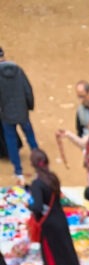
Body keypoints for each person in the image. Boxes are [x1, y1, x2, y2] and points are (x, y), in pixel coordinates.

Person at [27, 148, 81, 265]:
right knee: (65, 250)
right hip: (60, 220)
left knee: (50, 256)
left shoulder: (37, 184)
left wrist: (29, 206)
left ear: (33, 165)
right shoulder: (53, 178)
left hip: (48, 224)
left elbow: (37, 207)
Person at [0, 47, 39, 185]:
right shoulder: (18, 70)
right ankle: (40, 166)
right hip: (23, 113)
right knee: (31, 138)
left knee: (11, 141)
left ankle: (18, 170)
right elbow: (28, 90)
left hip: (6, 115)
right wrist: (29, 106)